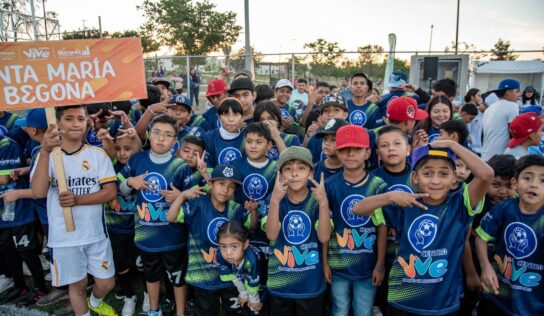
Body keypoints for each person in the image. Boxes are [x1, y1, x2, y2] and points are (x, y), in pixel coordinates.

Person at [352, 139, 493, 315]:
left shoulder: (461, 205)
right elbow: (357, 209)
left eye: (443, 174)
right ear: (415, 177)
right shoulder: (405, 204)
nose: (435, 181)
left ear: (454, 177)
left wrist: (452, 145)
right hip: (401, 299)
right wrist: (389, 196)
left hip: (443, 304)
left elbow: (487, 174)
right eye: (427, 173)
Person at [31, 105, 118, 316]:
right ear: (57, 123)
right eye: (69, 118)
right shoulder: (47, 156)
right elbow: (38, 191)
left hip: (95, 235)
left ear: (87, 121)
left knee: (106, 283)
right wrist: (45, 151)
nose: (76, 123)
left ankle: (95, 303)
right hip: (64, 238)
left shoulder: (97, 155)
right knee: (77, 285)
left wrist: (77, 199)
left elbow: (110, 192)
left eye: (80, 118)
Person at [118, 114, 188, 316]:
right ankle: (154, 310)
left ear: (175, 140)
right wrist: (131, 182)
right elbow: (119, 187)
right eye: (156, 132)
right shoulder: (137, 159)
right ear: (149, 134)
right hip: (146, 236)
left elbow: (193, 198)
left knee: (177, 277)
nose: (161, 138)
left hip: (173, 237)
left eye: (168, 135)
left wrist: (181, 196)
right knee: (151, 276)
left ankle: (181, 312)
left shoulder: (180, 166)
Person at [166, 164, 249, 316]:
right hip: (202, 275)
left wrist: (254, 211)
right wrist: (183, 196)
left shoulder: (235, 209)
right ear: (210, 184)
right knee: (205, 311)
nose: (225, 189)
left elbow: (252, 225)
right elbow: (171, 217)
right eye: (221, 184)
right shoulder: (197, 204)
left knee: (234, 310)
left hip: (231, 276)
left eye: (231, 187)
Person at [323, 124, 387, 316]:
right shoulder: (329, 185)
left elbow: (382, 227)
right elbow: (326, 228)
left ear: (368, 153)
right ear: (338, 152)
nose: (350, 154)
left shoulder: (377, 186)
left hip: (367, 267)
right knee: (339, 310)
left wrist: (380, 264)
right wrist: (325, 263)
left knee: (363, 311)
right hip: (337, 265)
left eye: (357, 149)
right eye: (344, 149)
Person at [263, 146, 331, 316]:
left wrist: (323, 203)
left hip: (310, 283)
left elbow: (324, 237)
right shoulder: (274, 200)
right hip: (280, 281)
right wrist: (275, 201)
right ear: (280, 175)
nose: (294, 174)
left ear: (310, 174)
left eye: (301, 168)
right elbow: (271, 235)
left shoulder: (317, 200)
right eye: (288, 169)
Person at [475, 155, 544, 316]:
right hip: (496, 293)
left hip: (532, 303)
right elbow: (481, 239)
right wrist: (485, 267)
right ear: (516, 182)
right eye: (527, 178)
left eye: (543, 181)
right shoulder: (504, 209)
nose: (533, 184)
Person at [459, 154, 517, 316]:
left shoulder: (517, 205)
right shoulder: (476, 201)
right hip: (471, 260)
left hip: (503, 267)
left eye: (509, 186)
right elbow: (464, 239)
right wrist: (471, 274)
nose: (503, 192)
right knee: (468, 299)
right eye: (496, 184)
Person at [0, 111, 47, 306]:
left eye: (26, 125)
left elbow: (3, 178)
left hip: (20, 211)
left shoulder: (6, 145)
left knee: (26, 251)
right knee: (7, 247)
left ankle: (41, 288)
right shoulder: (32, 146)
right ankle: (20, 285)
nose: (22, 128)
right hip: (5, 211)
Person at [369, 125, 412, 315]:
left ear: (408, 149)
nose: (391, 149)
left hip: (413, 256)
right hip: (383, 256)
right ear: (378, 152)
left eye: (397, 143)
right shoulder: (372, 180)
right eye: (385, 146)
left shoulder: (419, 177)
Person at [107, 128, 142, 316]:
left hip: (138, 228)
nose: (122, 153)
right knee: (121, 266)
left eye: (127, 148)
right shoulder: (107, 167)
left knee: (142, 264)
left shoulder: (142, 166)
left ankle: (146, 291)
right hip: (115, 228)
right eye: (118, 148)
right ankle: (129, 295)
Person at [217, 221, 263, 315]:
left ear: (245, 244)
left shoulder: (251, 259)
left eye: (234, 246)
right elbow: (232, 276)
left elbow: (253, 281)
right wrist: (243, 293)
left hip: (262, 284)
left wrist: (254, 299)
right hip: (243, 281)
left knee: (256, 307)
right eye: (223, 246)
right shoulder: (220, 255)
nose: (228, 252)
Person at [481, 79, 521, 161]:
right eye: (517, 91)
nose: (519, 95)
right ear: (508, 92)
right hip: (500, 157)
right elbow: (513, 132)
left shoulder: (490, 107)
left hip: (485, 155)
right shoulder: (513, 105)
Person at [201, 98, 246, 168]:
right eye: (226, 114)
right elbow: (208, 167)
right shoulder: (209, 138)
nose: (231, 119)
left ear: (242, 117)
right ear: (219, 117)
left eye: (235, 114)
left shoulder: (247, 137)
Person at [305, 94, 349, 164]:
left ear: (345, 115)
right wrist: (307, 138)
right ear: (321, 115)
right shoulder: (316, 138)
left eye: (336, 110)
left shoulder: (352, 136)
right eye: (326, 110)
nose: (330, 114)